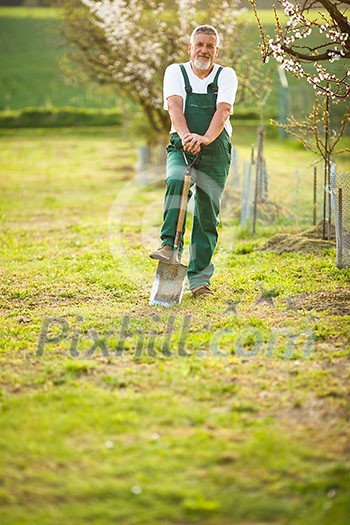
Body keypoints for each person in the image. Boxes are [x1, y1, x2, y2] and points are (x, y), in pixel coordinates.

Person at [150, 25, 238, 298]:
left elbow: (223, 111)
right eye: (199, 44)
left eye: (210, 46)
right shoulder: (175, 72)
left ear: (216, 50)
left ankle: (200, 281)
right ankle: (169, 245)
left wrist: (205, 139)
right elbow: (174, 105)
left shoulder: (227, 75)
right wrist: (188, 136)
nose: (204, 50)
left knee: (206, 213)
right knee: (176, 179)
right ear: (190, 48)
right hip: (182, 143)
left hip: (215, 147)